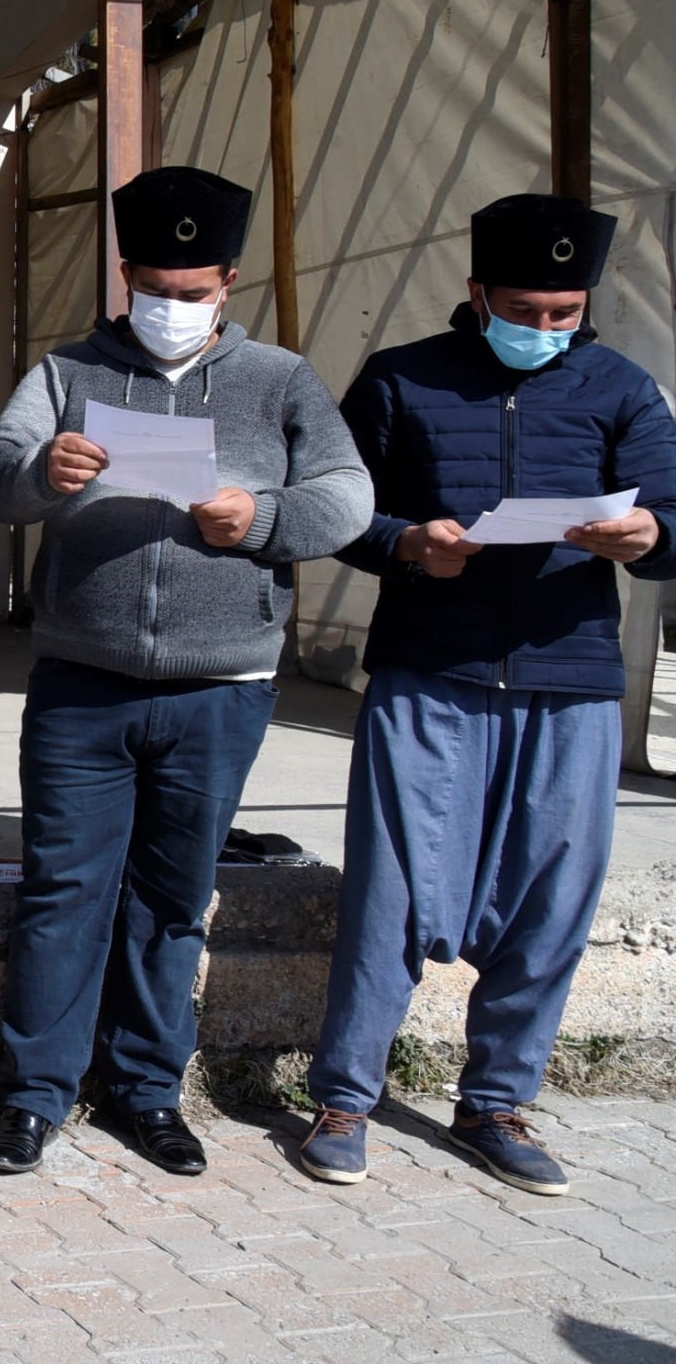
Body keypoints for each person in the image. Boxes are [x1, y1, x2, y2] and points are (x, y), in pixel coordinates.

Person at [0, 166, 371, 1178]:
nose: (170, 308)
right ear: (123, 273)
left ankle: (146, 1090)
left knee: (171, 896)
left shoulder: (278, 380)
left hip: (218, 688)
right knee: (64, 890)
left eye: (190, 292)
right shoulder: (67, 371)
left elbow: (347, 495)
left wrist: (263, 517)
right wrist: (36, 473)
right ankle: (32, 1095)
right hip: (81, 679)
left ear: (227, 281)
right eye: (152, 286)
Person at [298, 195, 676, 1195]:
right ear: (476, 294)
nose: (543, 328)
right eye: (523, 308)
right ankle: (343, 1096)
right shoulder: (400, 378)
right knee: (389, 888)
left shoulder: (621, 387)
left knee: (555, 892)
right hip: (431, 667)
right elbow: (336, 507)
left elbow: (666, 511)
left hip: (571, 673)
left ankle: (495, 1101)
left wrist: (645, 538)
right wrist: (408, 544)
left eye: (562, 312)